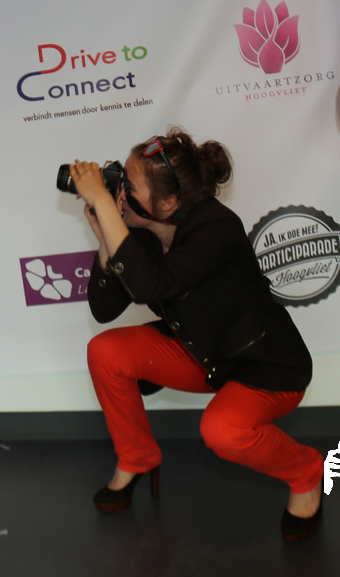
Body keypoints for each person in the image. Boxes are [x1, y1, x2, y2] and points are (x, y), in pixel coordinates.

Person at [69, 128, 323, 543]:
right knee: (105, 352)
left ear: (168, 202)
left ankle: (306, 472)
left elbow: (151, 286)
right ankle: (137, 458)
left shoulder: (218, 227)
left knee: (222, 432)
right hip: (203, 354)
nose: (118, 192)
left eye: (128, 185)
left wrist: (103, 204)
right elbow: (104, 310)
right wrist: (105, 237)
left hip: (263, 365)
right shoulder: (142, 234)